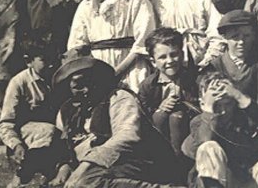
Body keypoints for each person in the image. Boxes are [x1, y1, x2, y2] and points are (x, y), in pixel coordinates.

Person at [51, 53, 182, 187]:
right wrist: (64, 166)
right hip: (97, 167)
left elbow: (127, 135)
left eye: (90, 82)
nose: (86, 89)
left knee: (86, 181)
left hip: (138, 161)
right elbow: (62, 144)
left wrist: (87, 165)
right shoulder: (66, 110)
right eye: (78, 86)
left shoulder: (118, 97)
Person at [182, 71, 258, 188]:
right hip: (220, 181)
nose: (223, 111)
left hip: (245, 179)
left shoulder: (243, 118)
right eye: (217, 105)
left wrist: (241, 97)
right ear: (202, 104)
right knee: (209, 147)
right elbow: (205, 141)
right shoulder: (199, 122)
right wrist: (208, 109)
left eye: (228, 104)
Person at [67, 0, 155, 92]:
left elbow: (144, 41)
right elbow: (77, 43)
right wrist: (96, 72)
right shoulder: (87, 4)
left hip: (132, 66)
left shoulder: (137, 0)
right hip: (96, 68)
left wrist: (117, 71)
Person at [0, 37, 63, 187]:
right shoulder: (19, 83)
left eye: (54, 58)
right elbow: (6, 123)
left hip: (55, 134)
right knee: (48, 131)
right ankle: (23, 175)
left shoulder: (59, 79)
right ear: (29, 61)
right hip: (28, 136)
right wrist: (16, 145)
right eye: (44, 59)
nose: (51, 64)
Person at [205, 10, 258, 121]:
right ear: (225, 37)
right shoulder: (214, 67)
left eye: (247, 36)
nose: (241, 42)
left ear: (254, 36)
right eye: (235, 37)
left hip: (256, 122)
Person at [138, 28, 198, 158]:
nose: (170, 61)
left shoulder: (194, 79)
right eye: (162, 57)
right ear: (153, 62)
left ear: (182, 54)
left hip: (189, 131)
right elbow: (144, 115)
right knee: (162, 115)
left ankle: (182, 162)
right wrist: (160, 109)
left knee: (177, 117)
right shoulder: (148, 86)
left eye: (174, 54)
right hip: (160, 131)